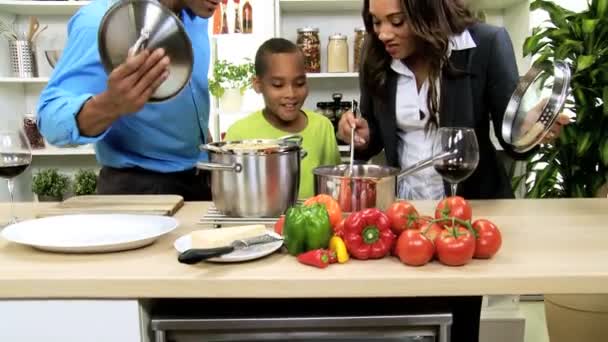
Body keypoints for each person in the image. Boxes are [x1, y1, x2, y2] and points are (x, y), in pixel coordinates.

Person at [336, 0, 569, 341]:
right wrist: (359, 132)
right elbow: (373, 136)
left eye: (397, 21)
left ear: (428, 13)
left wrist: (532, 128)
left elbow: (510, 137)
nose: (383, 33)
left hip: (465, 211)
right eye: (375, 21)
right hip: (404, 213)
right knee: (410, 320)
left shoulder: (486, 44)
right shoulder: (375, 53)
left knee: (460, 319)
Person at [36, 0, 221, 201]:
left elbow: (186, 97)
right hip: (141, 190)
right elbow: (49, 118)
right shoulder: (100, 21)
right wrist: (110, 104)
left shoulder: (196, 17)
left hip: (200, 180)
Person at [224, 38, 341, 199]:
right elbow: (231, 194)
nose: (291, 94)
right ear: (258, 84)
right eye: (278, 85)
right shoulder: (239, 133)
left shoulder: (323, 126)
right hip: (256, 223)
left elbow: (333, 191)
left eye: (299, 83)